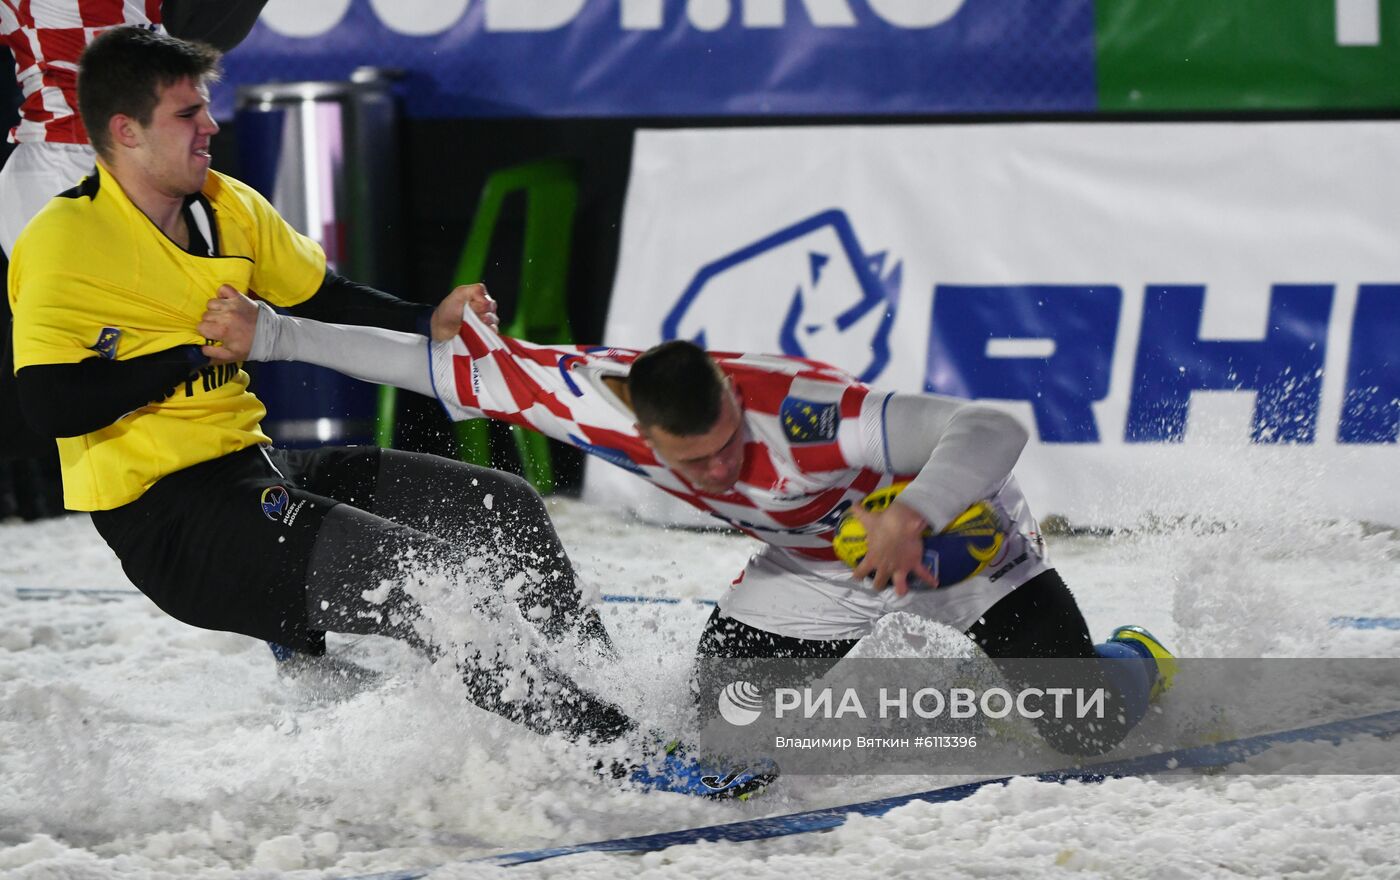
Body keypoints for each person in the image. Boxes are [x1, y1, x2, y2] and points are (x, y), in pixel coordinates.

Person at [6, 26, 773, 800]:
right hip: (170, 520)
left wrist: (424, 318)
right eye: (187, 114)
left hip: (253, 469)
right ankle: (628, 755)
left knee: (501, 508)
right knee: (435, 586)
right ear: (125, 133)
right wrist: (188, 356)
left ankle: (605, 691)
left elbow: (321, 293)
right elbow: (46, 406)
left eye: (205, 108)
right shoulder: (64, 243)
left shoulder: (224, 203)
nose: (210, 125)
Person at [201, 284, 1180, 757]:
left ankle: (1134, 655)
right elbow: (419, 360)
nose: (717, 465)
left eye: (725, 443)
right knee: (720, 730)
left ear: (730, 398)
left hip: (946, 532)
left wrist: (914, 511)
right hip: (809, 561)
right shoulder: (586, 396)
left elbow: (987, 426)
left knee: (1077, 725)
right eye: (694, 459)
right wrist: (275, 333)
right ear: (643, 425)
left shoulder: (802, 409)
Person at [0, 1, 270, 520]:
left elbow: (196, 30)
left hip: (123, 159)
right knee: (100, 351)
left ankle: (186, 496)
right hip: (58, 167)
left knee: (153, 340)